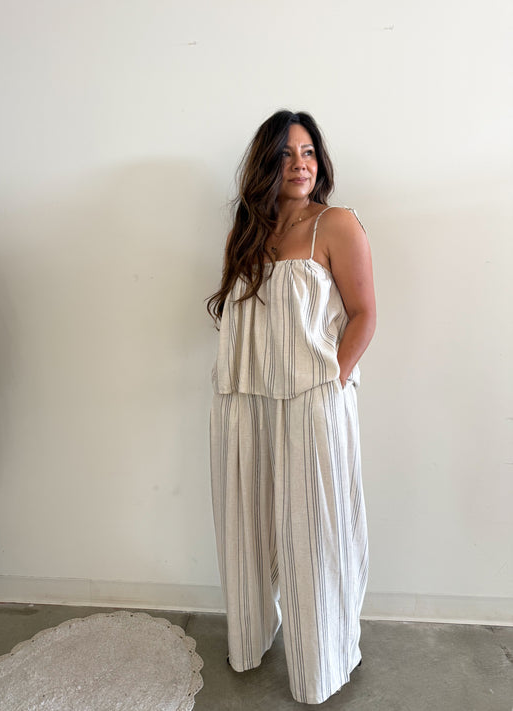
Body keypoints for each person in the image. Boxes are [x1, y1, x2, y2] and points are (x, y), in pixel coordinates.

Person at [207, 110, 376, 705]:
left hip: (311, 403)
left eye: (307, 152)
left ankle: (322, 661)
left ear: (319, 161)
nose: (299, 164)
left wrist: (332, 382)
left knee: (313, 535)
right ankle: (251, 639)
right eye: (285, 154)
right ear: (266, 164)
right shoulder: (246, 232)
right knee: (246, 529)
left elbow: (364, 315)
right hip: (243, 401)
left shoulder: (336, 223)